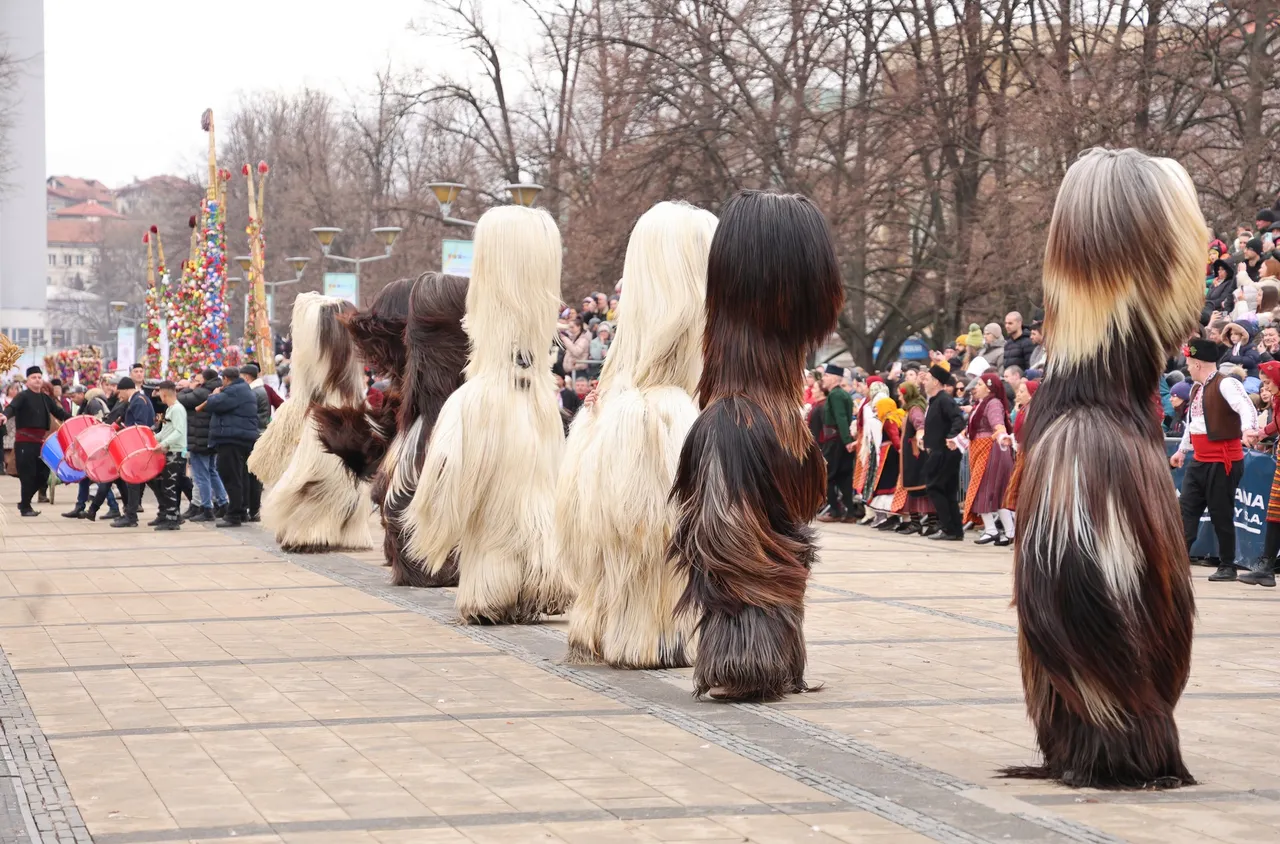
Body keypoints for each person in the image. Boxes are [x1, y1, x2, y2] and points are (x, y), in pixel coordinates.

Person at [1173, 339, 1260, 581]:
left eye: (1190, 364)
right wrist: (1182, 451)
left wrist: (1249, 429)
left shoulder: (1226, 383)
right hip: (1199, 460)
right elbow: (1193, 426)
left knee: (1221, 513)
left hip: (1223, 461)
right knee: (1186, 511)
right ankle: (1178, 562)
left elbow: (1246, 408)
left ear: (1198, 364)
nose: (1188, 368)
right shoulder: (1196, 388)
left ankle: (1228, 565)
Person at [0, 367, 71, 516]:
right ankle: (26, 507)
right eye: (34, 377)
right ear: (27, 381)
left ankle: (24, 502)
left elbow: (60, 413)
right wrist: (5, 416)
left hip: (41, 443)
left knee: (44, 475)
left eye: (39, 377)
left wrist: (76, 419)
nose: (37, 379)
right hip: (24, 443)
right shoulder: (22, 396)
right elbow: (11, 408)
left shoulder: (46, 399)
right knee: (27, 475)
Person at [962, 371, 1016, 545]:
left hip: (990, 450)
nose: (975, 387)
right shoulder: (983, 404)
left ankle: (992, 530)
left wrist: (1000, 434)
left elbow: (997, 423)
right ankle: (1009, 531)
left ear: (989, 387)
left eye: (979, 384)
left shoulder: (992, 404)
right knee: (997, 493)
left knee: (981, 488)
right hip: (985, 449)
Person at [203, 366, 260, 527]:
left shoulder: (233, 391)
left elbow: (213, 404)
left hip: (231, 439)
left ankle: (234, 514)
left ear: (226, 379)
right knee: (240, 475)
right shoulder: (243, 389)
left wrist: (214, 395)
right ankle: (241, 511)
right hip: (240, 438)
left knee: (230, 476)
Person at [920, 363, 965, 540]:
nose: (925, 382)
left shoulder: (944, 400)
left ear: (937, 382)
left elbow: (958, 420)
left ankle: (948, 527)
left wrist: (951, 437)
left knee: (934, 487)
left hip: (944, 452)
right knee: (947, 490)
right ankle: (955, 530)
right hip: (939, 451)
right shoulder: (935, 401)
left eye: (929, 379)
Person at [62, 385, 119, 520]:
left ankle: (113, 506)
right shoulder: (90, 404)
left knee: (99, 478)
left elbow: (98, 422)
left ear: (83, 394)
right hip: (91, 446)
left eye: (74, 396)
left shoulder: (93, 403)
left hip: (95, 446)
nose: (73, 399)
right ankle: (80, 505)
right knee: (85, 476)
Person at [178, 368, 228, 522]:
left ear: (204, 379)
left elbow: (180, 399)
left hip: (199, 439)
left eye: (197, 378)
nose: (195, 380)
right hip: (210, 438)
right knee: (212, 471)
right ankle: (223, 502)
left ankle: (207, 508)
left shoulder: (201, 392)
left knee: (201, 475)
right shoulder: (216, 390)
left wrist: (189, 388)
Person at [891, 382, 935, 534]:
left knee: (918, 488)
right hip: (911, 456)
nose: (899, 396)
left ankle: (927, 523)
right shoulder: (911, 409)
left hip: (916, 456)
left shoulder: (915, 409)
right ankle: (920, 522)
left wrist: (920, 434)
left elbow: (920, 424)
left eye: (900, 393)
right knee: (914, 488)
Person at [816, 363, 856, 523]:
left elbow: (841, 418)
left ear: (834, 378)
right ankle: (849, 512)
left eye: (826, 376)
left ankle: (835, 510)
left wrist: (847, 440)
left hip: (835, 441)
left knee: (826, 474)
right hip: (840, 439)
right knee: (844, 476)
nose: (823, 379)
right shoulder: (843, 394)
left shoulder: (835, 395)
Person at [149, 381, 187, 530]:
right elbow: (166, 431)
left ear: (164, 394)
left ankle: (172, 519)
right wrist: (154, 438)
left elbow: (178, 431)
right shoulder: (170, 409)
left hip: (175, 451)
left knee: (169, 486)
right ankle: (172, 515)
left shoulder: (177, 409)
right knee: (166, 485)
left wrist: (164, 444)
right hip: (170, 450)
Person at [869, 396, 905, 529]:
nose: (877, 410)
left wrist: (900, 449)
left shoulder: (889, 420)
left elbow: (894, 436)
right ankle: (890, 517)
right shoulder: (898, 416)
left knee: (887, 482)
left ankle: (890, 516)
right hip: (893, 453)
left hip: (889, 454)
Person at [241, 363, 270, 522]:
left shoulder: (255, 393)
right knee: (254, 474)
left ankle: (253, 508)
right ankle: (254, 509)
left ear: (246, 377)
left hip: (255, 435)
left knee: (252, 474)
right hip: (258, 433)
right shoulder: (259, 390)